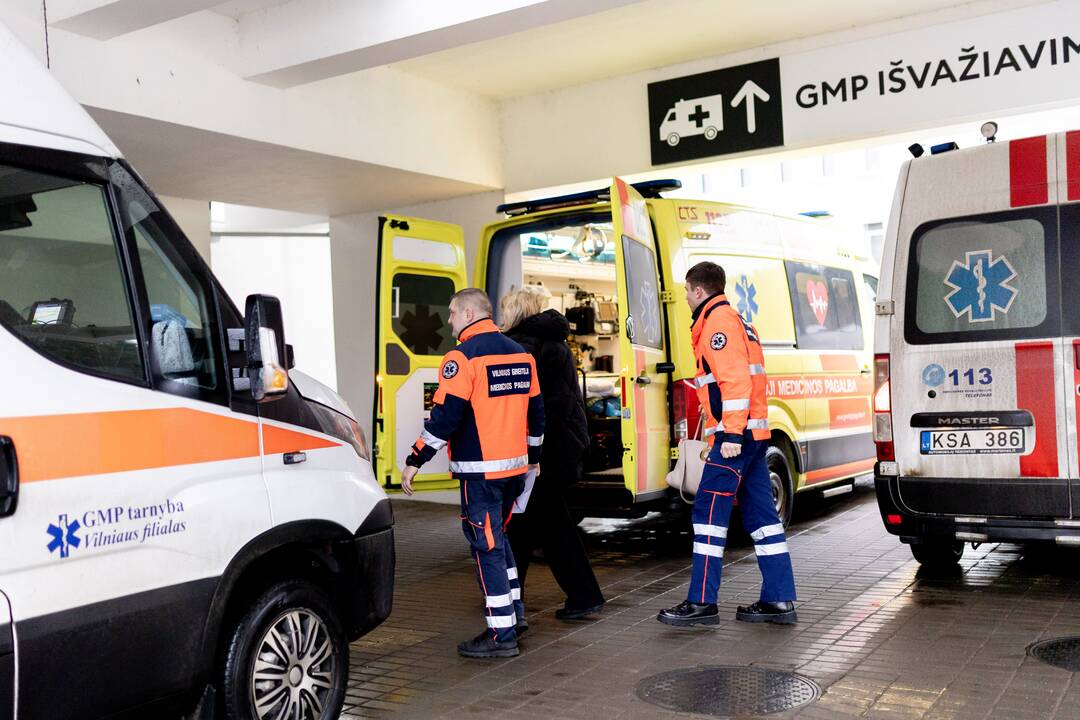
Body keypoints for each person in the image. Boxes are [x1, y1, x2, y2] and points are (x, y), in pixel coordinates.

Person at [401, 288, 545, 658]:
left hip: (480, 474)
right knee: (500, 540)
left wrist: (415, 459)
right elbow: (537, 414)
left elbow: (445, 418)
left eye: (451, 313)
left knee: (487, 547)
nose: (448, 320)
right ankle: (514, 614)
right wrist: (534, 457)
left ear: (468, 313)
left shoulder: (461, 358)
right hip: (514, 469)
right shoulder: (521, 354)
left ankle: (501, 635)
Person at [657, 261, 797, 627]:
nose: (686, 297)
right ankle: (779, 600)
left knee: (707, 514)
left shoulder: (717, 324)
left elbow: (734, 383)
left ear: (699, 291)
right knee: (763, 518)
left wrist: (730, 434)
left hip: (736, 438)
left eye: (687, 291)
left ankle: (702, 602)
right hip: (751, 435)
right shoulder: (734, 320)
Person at [500, 286, 605, 622]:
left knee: (537, 526)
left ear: (515, 311)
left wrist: (531, 452)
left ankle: (516, 600)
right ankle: (516, 597)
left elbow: (537, 407)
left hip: (542, 453)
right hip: (557, 448)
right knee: (532, 526)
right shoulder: (553, 343)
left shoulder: (526, 346)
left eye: (504, 310)